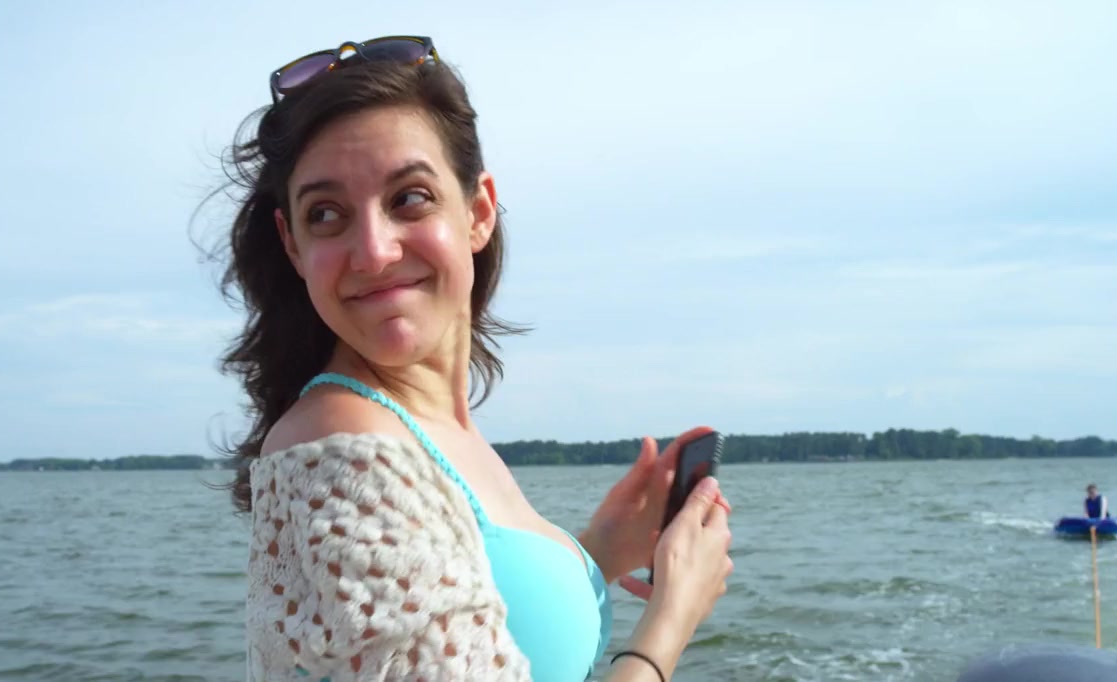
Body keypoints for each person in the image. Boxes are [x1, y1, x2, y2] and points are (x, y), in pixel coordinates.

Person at [210, 35, 734, 682]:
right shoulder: (342, 442)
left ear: (478, 211)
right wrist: (671, 618)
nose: (373, 251)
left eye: (408, 198)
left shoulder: (435, 431)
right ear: (293, 245)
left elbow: (482, 629)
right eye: (326, 214)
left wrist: (593, 554)